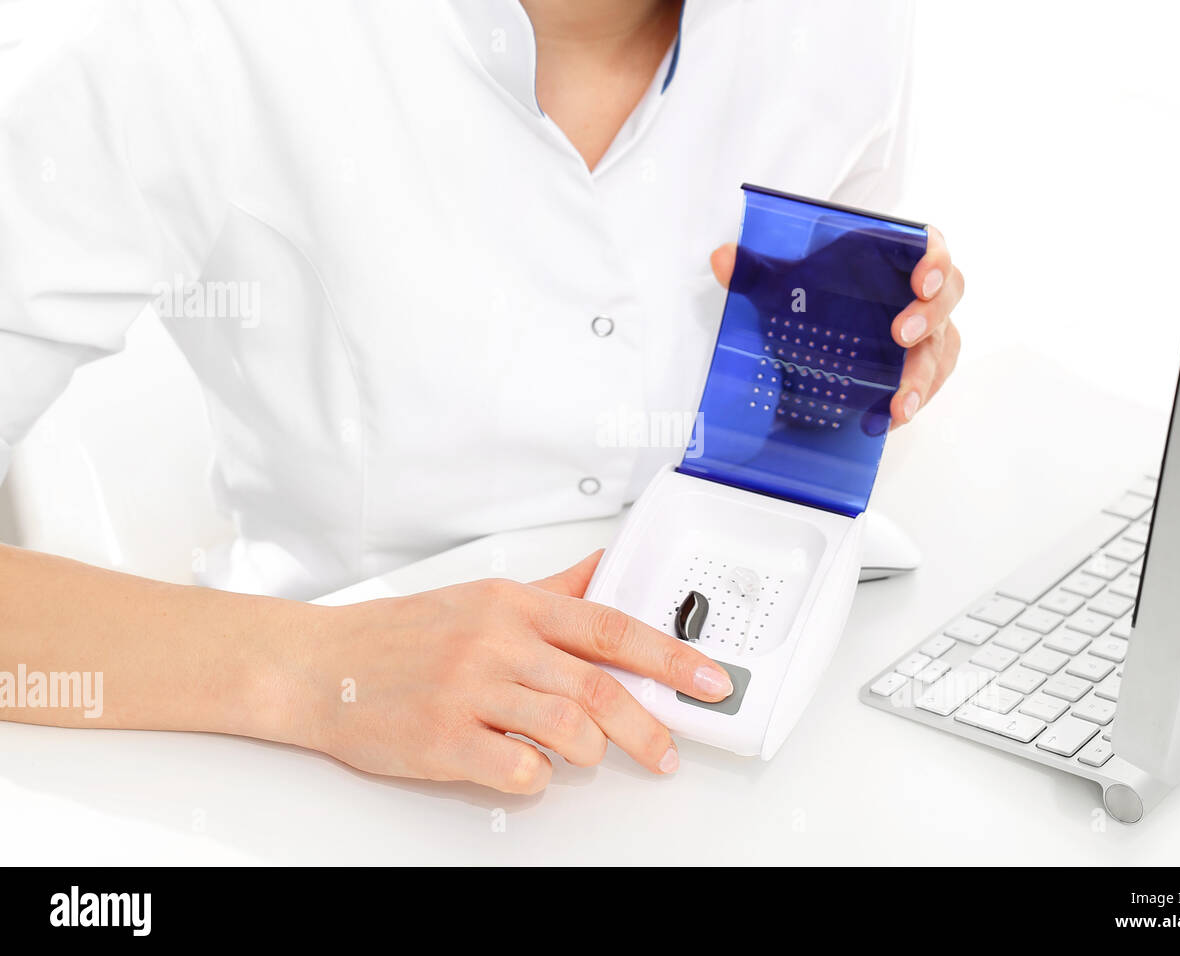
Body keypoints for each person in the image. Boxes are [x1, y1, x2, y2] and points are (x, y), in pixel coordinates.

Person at [0, 0, 963, 793]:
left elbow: (791, 407)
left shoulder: (846, 24)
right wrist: (309, 670)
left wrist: (853, 369)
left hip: (709, 754)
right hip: (325, 781)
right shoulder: (195, 44)